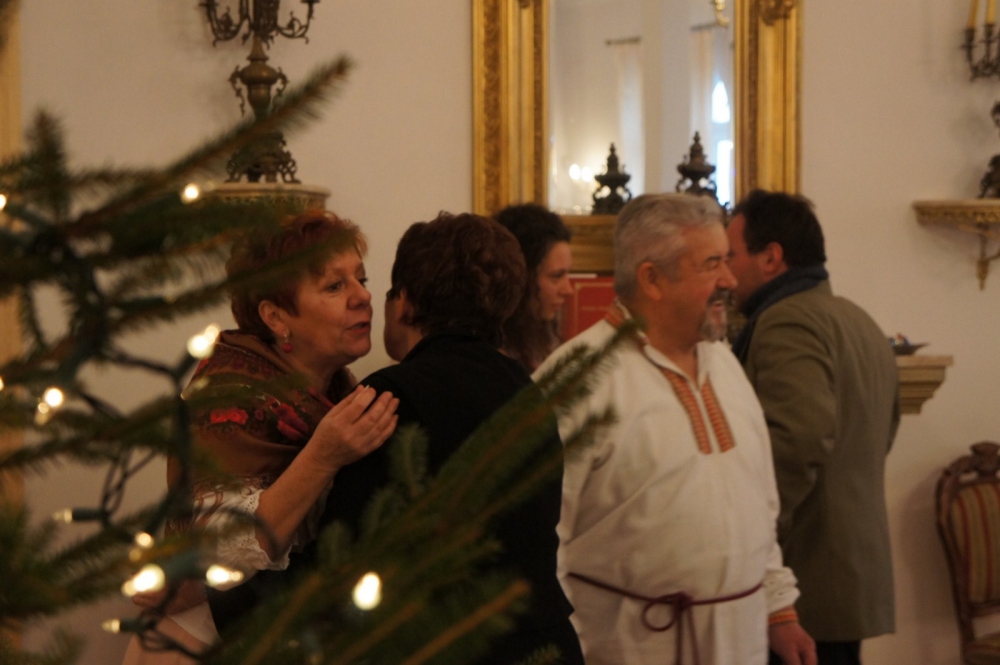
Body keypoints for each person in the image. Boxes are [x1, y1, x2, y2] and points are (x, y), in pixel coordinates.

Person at [535, 193, 816, 665]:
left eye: (727, 260)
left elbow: (756, 501)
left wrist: (778, 608)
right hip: (632, 649)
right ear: (652, 279)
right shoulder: (579, 380)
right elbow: (537, 543)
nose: (730, 280)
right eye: (712, 265)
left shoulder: (725, 366)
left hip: (741, 643)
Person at [123, 210, 398, 663]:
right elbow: (222, 546)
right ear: (275, 316)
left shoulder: (337, 391)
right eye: (335, 286)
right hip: (196, 644)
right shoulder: (229, 397)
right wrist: (322, 456)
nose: (363, 297)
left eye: (361, 279)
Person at [323, 211, 583, 663]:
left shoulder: (390, 395)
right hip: (543, 641)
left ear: (404, 303)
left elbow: (345, 551)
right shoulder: (524, 386)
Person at [726, 190, 899, 665]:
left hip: (805, 577)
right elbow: (885, 431)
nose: (726, 273)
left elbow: (797, 440)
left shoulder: (786, 321)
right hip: (849, 575)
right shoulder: (859, 319)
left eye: (731, 256)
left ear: (771, 257)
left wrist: (752, 534)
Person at [495, 203, 574, 371]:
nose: (568, 290)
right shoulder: (493, 356)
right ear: (521, 276)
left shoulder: (539, 343)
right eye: (556, 276)